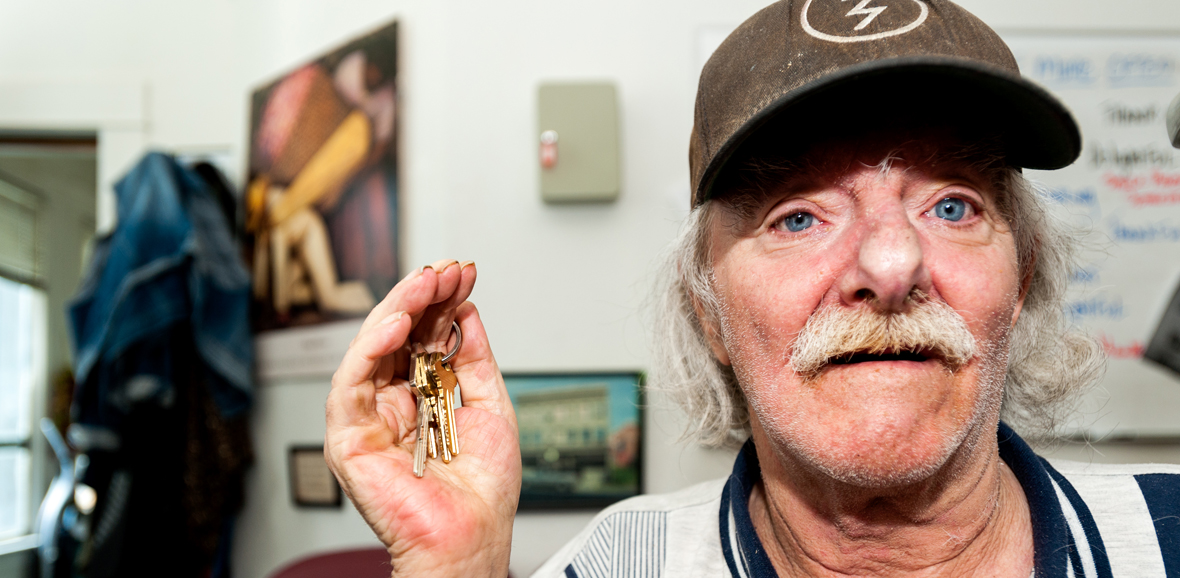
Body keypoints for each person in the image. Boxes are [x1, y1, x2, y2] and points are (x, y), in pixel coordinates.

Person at [324, 1, 1180, 576]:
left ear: (1022, 278)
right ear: (711, 315)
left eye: (951, 205)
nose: (890, 267)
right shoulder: (618, 564)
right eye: (798, 217)